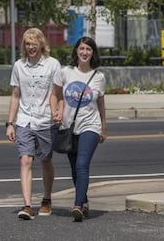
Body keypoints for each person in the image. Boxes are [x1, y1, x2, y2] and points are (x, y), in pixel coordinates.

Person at [6, 27, 62, 220]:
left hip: (45, 120)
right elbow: (15, 95)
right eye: (27, 44)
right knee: (26, 160)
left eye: (34, 43)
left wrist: (58, 112)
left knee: (45, 160)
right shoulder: (19, 65)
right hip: (24, 120)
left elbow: (58, 94)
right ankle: (28, 205)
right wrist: (10, 123)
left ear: (41, 44)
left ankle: (46, 199)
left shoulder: (53, 65)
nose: (30, 47)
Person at [51, 36, 107, 222]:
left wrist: (103, 127)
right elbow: (55, 95)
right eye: (82, 48)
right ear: (76, 50)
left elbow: (101, 104)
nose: (84, 52)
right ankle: (84, 201)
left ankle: (77, 205)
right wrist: (56, 112)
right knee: (75, 168)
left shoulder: (98, 77)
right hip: (69, 126)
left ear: (93, 53)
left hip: (90, 125)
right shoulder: (65, 72)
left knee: (82, 165)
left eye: (88, 50)